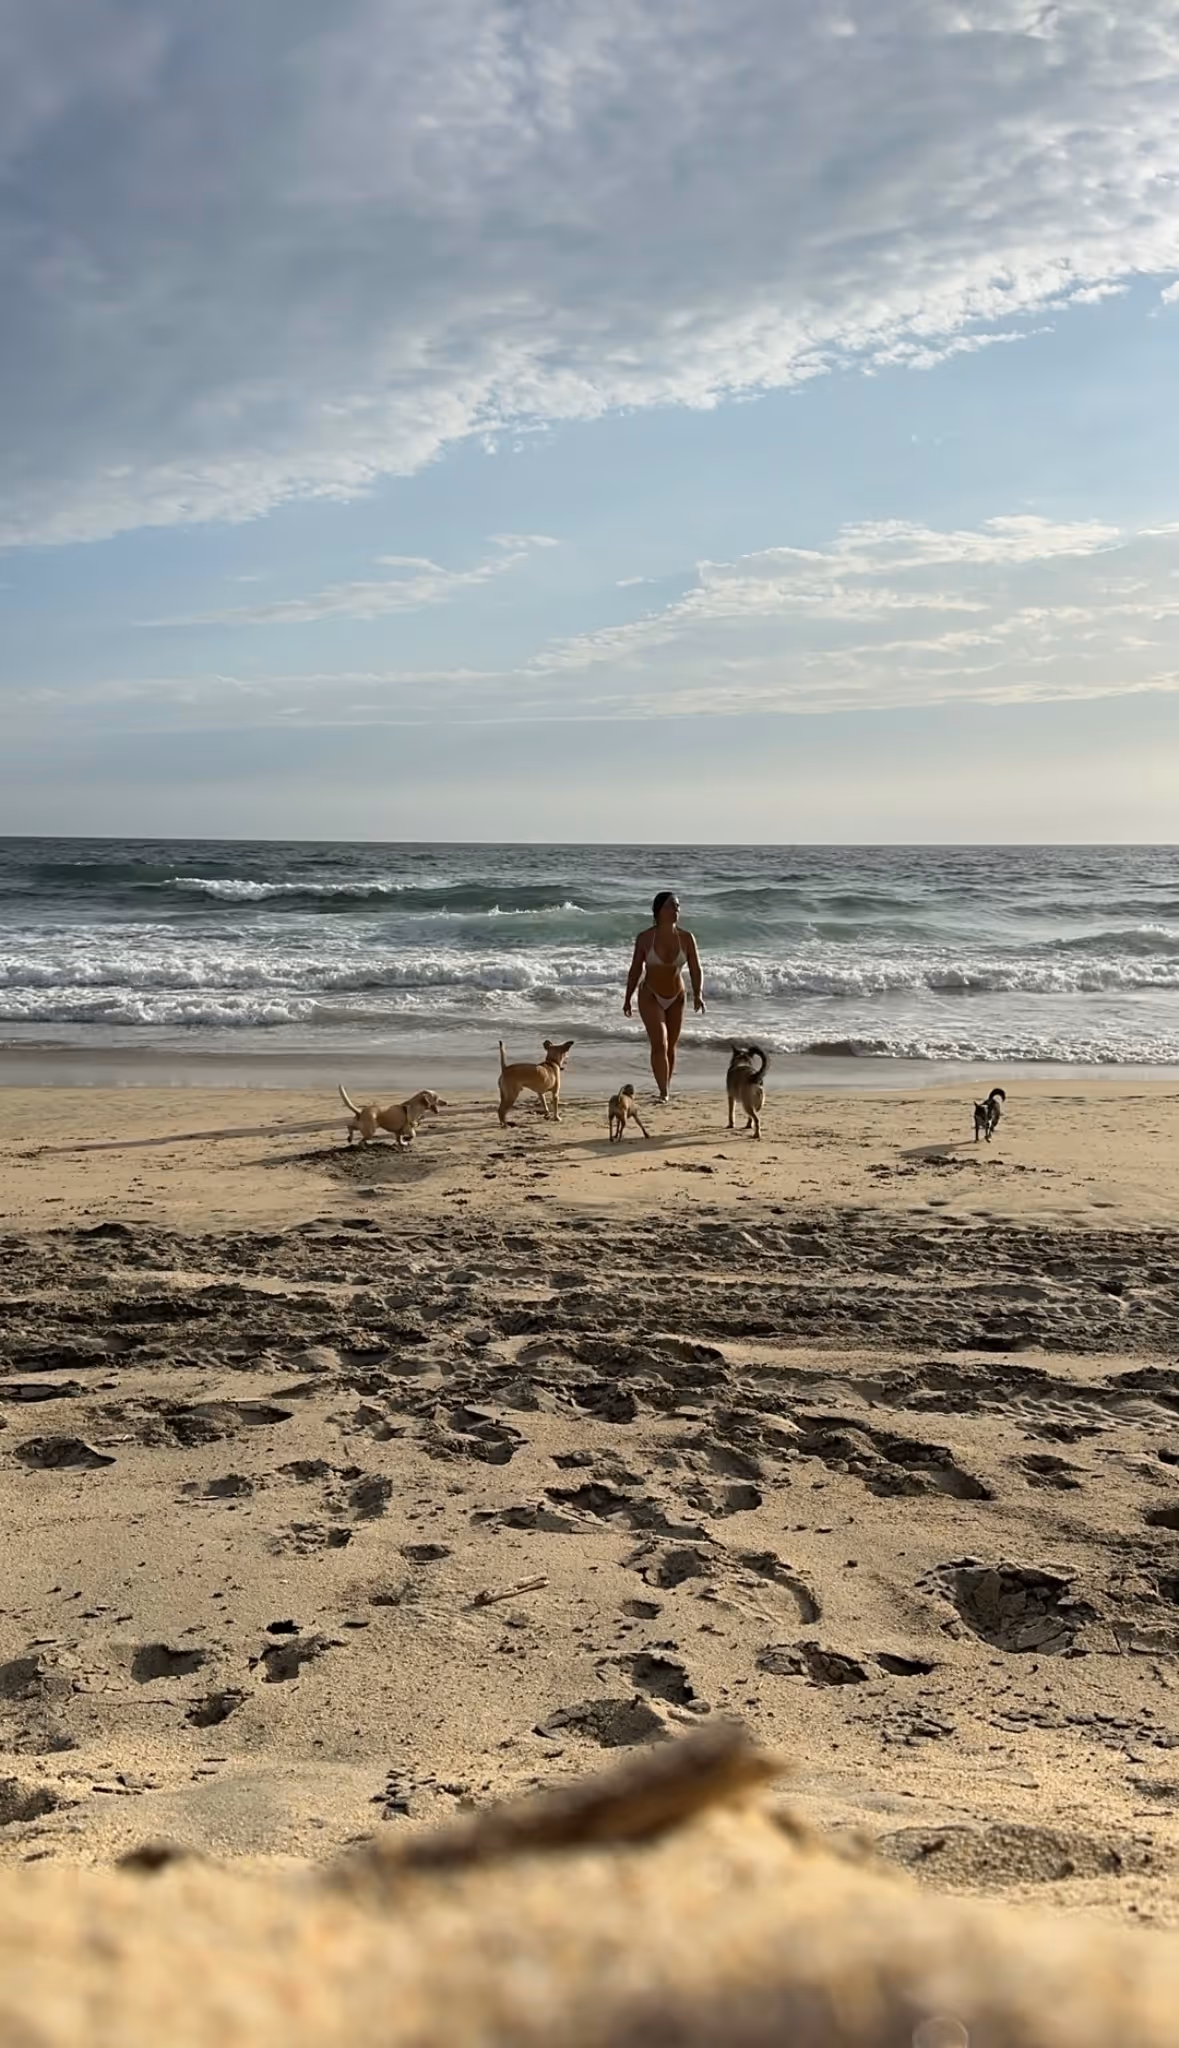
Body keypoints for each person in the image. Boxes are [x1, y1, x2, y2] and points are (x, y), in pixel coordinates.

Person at [623, 890, 705, 1100]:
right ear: (659, 910)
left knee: (671, 1047)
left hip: (677, 996)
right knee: (660, 1044)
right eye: (671, 906)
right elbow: (635, 970)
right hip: (650, 995)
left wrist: (698, 994)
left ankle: (665, 1085)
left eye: (678, 906)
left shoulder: (686, 938)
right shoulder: (645, 938)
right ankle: (664, 1093)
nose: (676, 910)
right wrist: (628, 998)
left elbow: (696, 968)